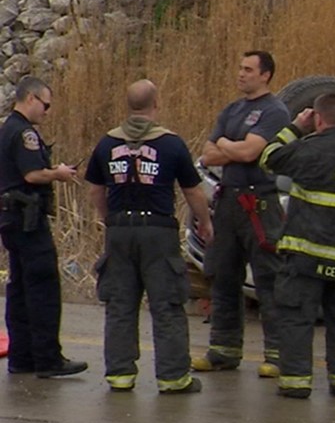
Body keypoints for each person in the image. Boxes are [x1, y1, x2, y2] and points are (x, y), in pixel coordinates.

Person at [85, 79, 214, 394]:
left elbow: (95, 189)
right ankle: (172, 377)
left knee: (120, 304)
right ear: (156, 105)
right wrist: (205, 221)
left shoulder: (106, 143)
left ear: (129, 106)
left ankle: (120, 374)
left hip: (119, 231)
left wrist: (109, 220)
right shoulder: (170, 144)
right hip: (157, 232)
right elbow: (193, 190)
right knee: (167, 304)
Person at [259, 93, 335, 399]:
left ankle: (296, 383)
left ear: (317, 118)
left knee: (296, 317)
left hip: (307, 257)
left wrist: (295, 127)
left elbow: (268, 157)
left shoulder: (308, 150)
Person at [193, 51, 290, 378]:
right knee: (222, 275)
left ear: (266, 75)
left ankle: (277, 353)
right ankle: (223, 349)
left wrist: (225, 144)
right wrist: (231, 149)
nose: (241, 74)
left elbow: (252, 152)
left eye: (248, 69)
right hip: (228, 203)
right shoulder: (232, 110)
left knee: (269, 279)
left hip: (259, 204)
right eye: (240, 67)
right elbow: (207, 156)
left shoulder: (274, 111)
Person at [0, 76, 88, 378]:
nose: (47, 112)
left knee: (20, 288)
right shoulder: (24, 133)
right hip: (27, 220)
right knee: (43, 287)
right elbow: (33, 174)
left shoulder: (6, 129)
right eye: (45, 105)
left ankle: (22, 357)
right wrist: (59, 173)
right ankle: (48, 359)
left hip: (10, 219)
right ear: (31, 99)